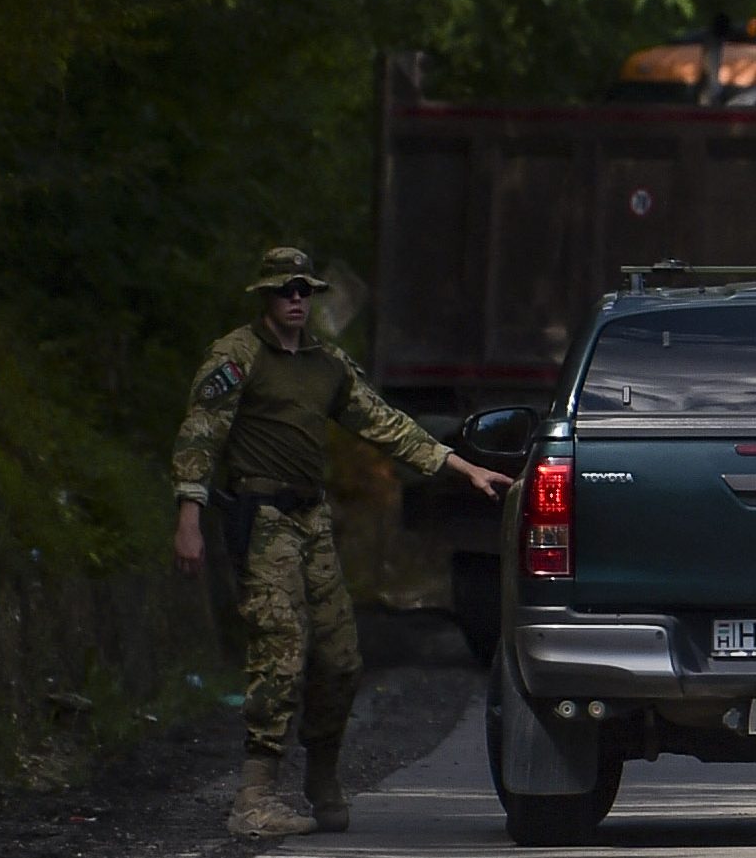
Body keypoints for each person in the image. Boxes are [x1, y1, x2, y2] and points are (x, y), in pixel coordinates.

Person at [170, 246, 511, 838]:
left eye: (304, 290)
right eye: (285, 290)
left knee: (341, 659)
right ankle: (253, 796)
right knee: (279, 651)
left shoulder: (326, 365)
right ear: (265, 298)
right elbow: (199, 437)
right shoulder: (237, 357)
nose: (296, 299)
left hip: (311, 521)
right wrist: (189, 517)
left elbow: (386, 423)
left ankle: (321, 777)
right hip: (261, 517)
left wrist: (462, 467)